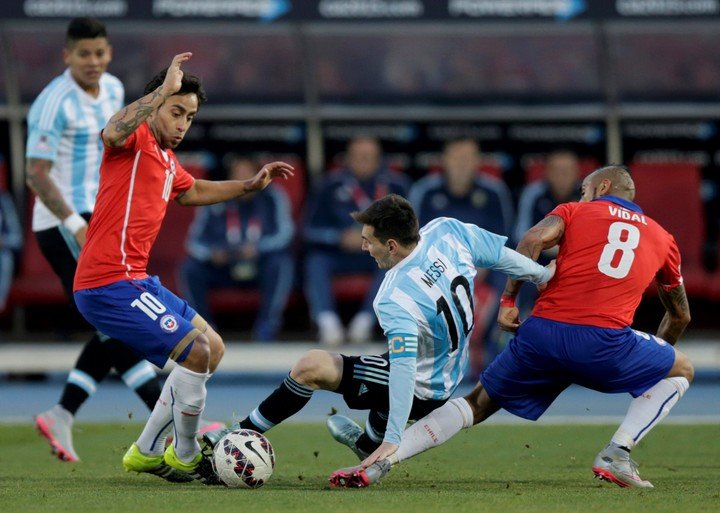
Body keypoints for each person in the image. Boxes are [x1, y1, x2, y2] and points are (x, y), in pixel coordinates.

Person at [330, 165, 694, 490]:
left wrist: (509, 301)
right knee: (682, 368)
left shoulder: (574, 212)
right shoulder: (664, 239)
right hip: (606, 344)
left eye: (583, 191)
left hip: (541, 335)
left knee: (475, 404)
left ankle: (380, 462)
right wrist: (648, 368)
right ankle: (619, 450)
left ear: (602, 188)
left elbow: (532, 240)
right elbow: (680, 315)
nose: (580, 197)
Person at [72, 53, 293, 484]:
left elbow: (192, 192)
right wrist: (160, 92)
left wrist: (248, 186)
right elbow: (111, 131)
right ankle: (187, 454)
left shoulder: (166, 161)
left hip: (134, 279)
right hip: (106, 282)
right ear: (156, 106)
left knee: (213, 347)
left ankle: (148, 450)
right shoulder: (133, 142)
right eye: (176, 112)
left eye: (189, 117)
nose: (182, 124)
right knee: (196, 352)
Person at [204, 194, 553, 466]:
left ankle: (240, 434)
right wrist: (541, 275)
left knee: (311, 366)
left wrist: (396, 441)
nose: (362, 247)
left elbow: (402, 372)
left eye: (368, 240)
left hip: (423, 386)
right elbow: (500, 255)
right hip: (449, 370)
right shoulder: (447, 231)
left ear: (391, 245)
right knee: (380, 380)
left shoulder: (394, 296)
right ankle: (366, 443)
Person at [25, 18, 166, 463]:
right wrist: (72, 222)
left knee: (110, 322)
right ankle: (169, 414)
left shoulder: (112, 89)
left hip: (101, 215)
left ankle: (63, 412)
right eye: (84, 54)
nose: (93, 61)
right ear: (67, 56)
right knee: (113, 315)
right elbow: (36, 173)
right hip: (63, 223)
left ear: (108, 54)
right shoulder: (53, 103)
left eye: (100, 53)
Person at [409, 137, 515, 368]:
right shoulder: (424, 191)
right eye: (456, 158)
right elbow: (414, 240)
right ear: (444, 161)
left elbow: (505, 237)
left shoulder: (494, 191)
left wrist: (483, 264)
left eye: (468, 158)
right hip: (437, 268)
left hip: (485, 266)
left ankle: (490, 350)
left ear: (478, 161)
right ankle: (437, 353)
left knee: (510, 279)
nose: (462, 164)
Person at [304, 137, 410, 346]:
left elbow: (411, 231)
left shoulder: (397, 185)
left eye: (369, 157)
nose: (363, 161)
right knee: (315, 260)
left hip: (378, 254)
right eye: (357, 157)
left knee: (396, 261)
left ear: (379, 160)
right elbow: (308, 229)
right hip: (338, 253)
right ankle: (327, 322)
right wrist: (337, 237)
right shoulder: (328, 185)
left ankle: (365, 321)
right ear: (347, 160)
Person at [179, 155, 295, 341]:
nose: (244, 180)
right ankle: (203, 329)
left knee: (281, 263)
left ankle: (267, 326)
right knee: (190, 268)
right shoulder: (215, 196)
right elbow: (193, 242)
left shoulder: (273, 196)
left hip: (259, 263)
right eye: (237, 174)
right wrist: (212, 253)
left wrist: (258, 248)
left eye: (248, 174)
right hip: (223, 265)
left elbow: (285, 233)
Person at [514, 150, 582, 317]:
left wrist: (550, 245)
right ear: (547, 172)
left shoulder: (586, 197)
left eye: (567, 170)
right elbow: (521, 236)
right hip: (538, 264)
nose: (562, 176)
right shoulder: (534, 193)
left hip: (577, 267)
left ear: (577, 172)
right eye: (557, 170)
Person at [0, 169, 22, 311]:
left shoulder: (3, 201)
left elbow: (17, 239)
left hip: (3, 254)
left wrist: (2, 241)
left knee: (5, 256)